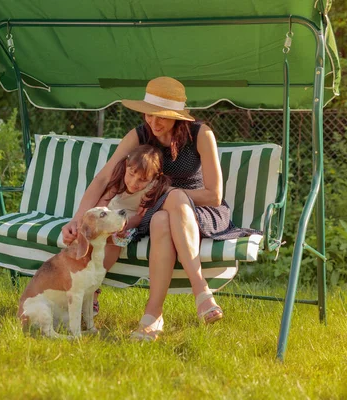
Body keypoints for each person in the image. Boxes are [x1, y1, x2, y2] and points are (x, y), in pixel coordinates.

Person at [62, 77, 259, 341]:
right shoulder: (139, 135)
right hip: (155, 213)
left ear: (177, 117)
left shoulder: (201, 134)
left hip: (200, 211)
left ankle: (169, 307)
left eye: (162, 117)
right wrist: (77, 219)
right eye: (149, 114)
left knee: (174, 199)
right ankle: (178, 305)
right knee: (161, 220)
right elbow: (102, 179)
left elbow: (214, 195)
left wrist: (169, 194)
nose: (153, 123)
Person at [90, 144, 171, 314]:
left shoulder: (153, 188)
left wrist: (121, 226)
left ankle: (93, 291)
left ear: (154, 177)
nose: (134, 183)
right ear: (127, 166)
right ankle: (72, 285)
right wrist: (98, 220)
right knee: (86, 240)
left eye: (142, 180)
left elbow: (140, 217)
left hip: (126, 222)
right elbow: (103, 202)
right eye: (132, 174)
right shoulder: (119, 176)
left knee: (114, 243)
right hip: (106, 216)